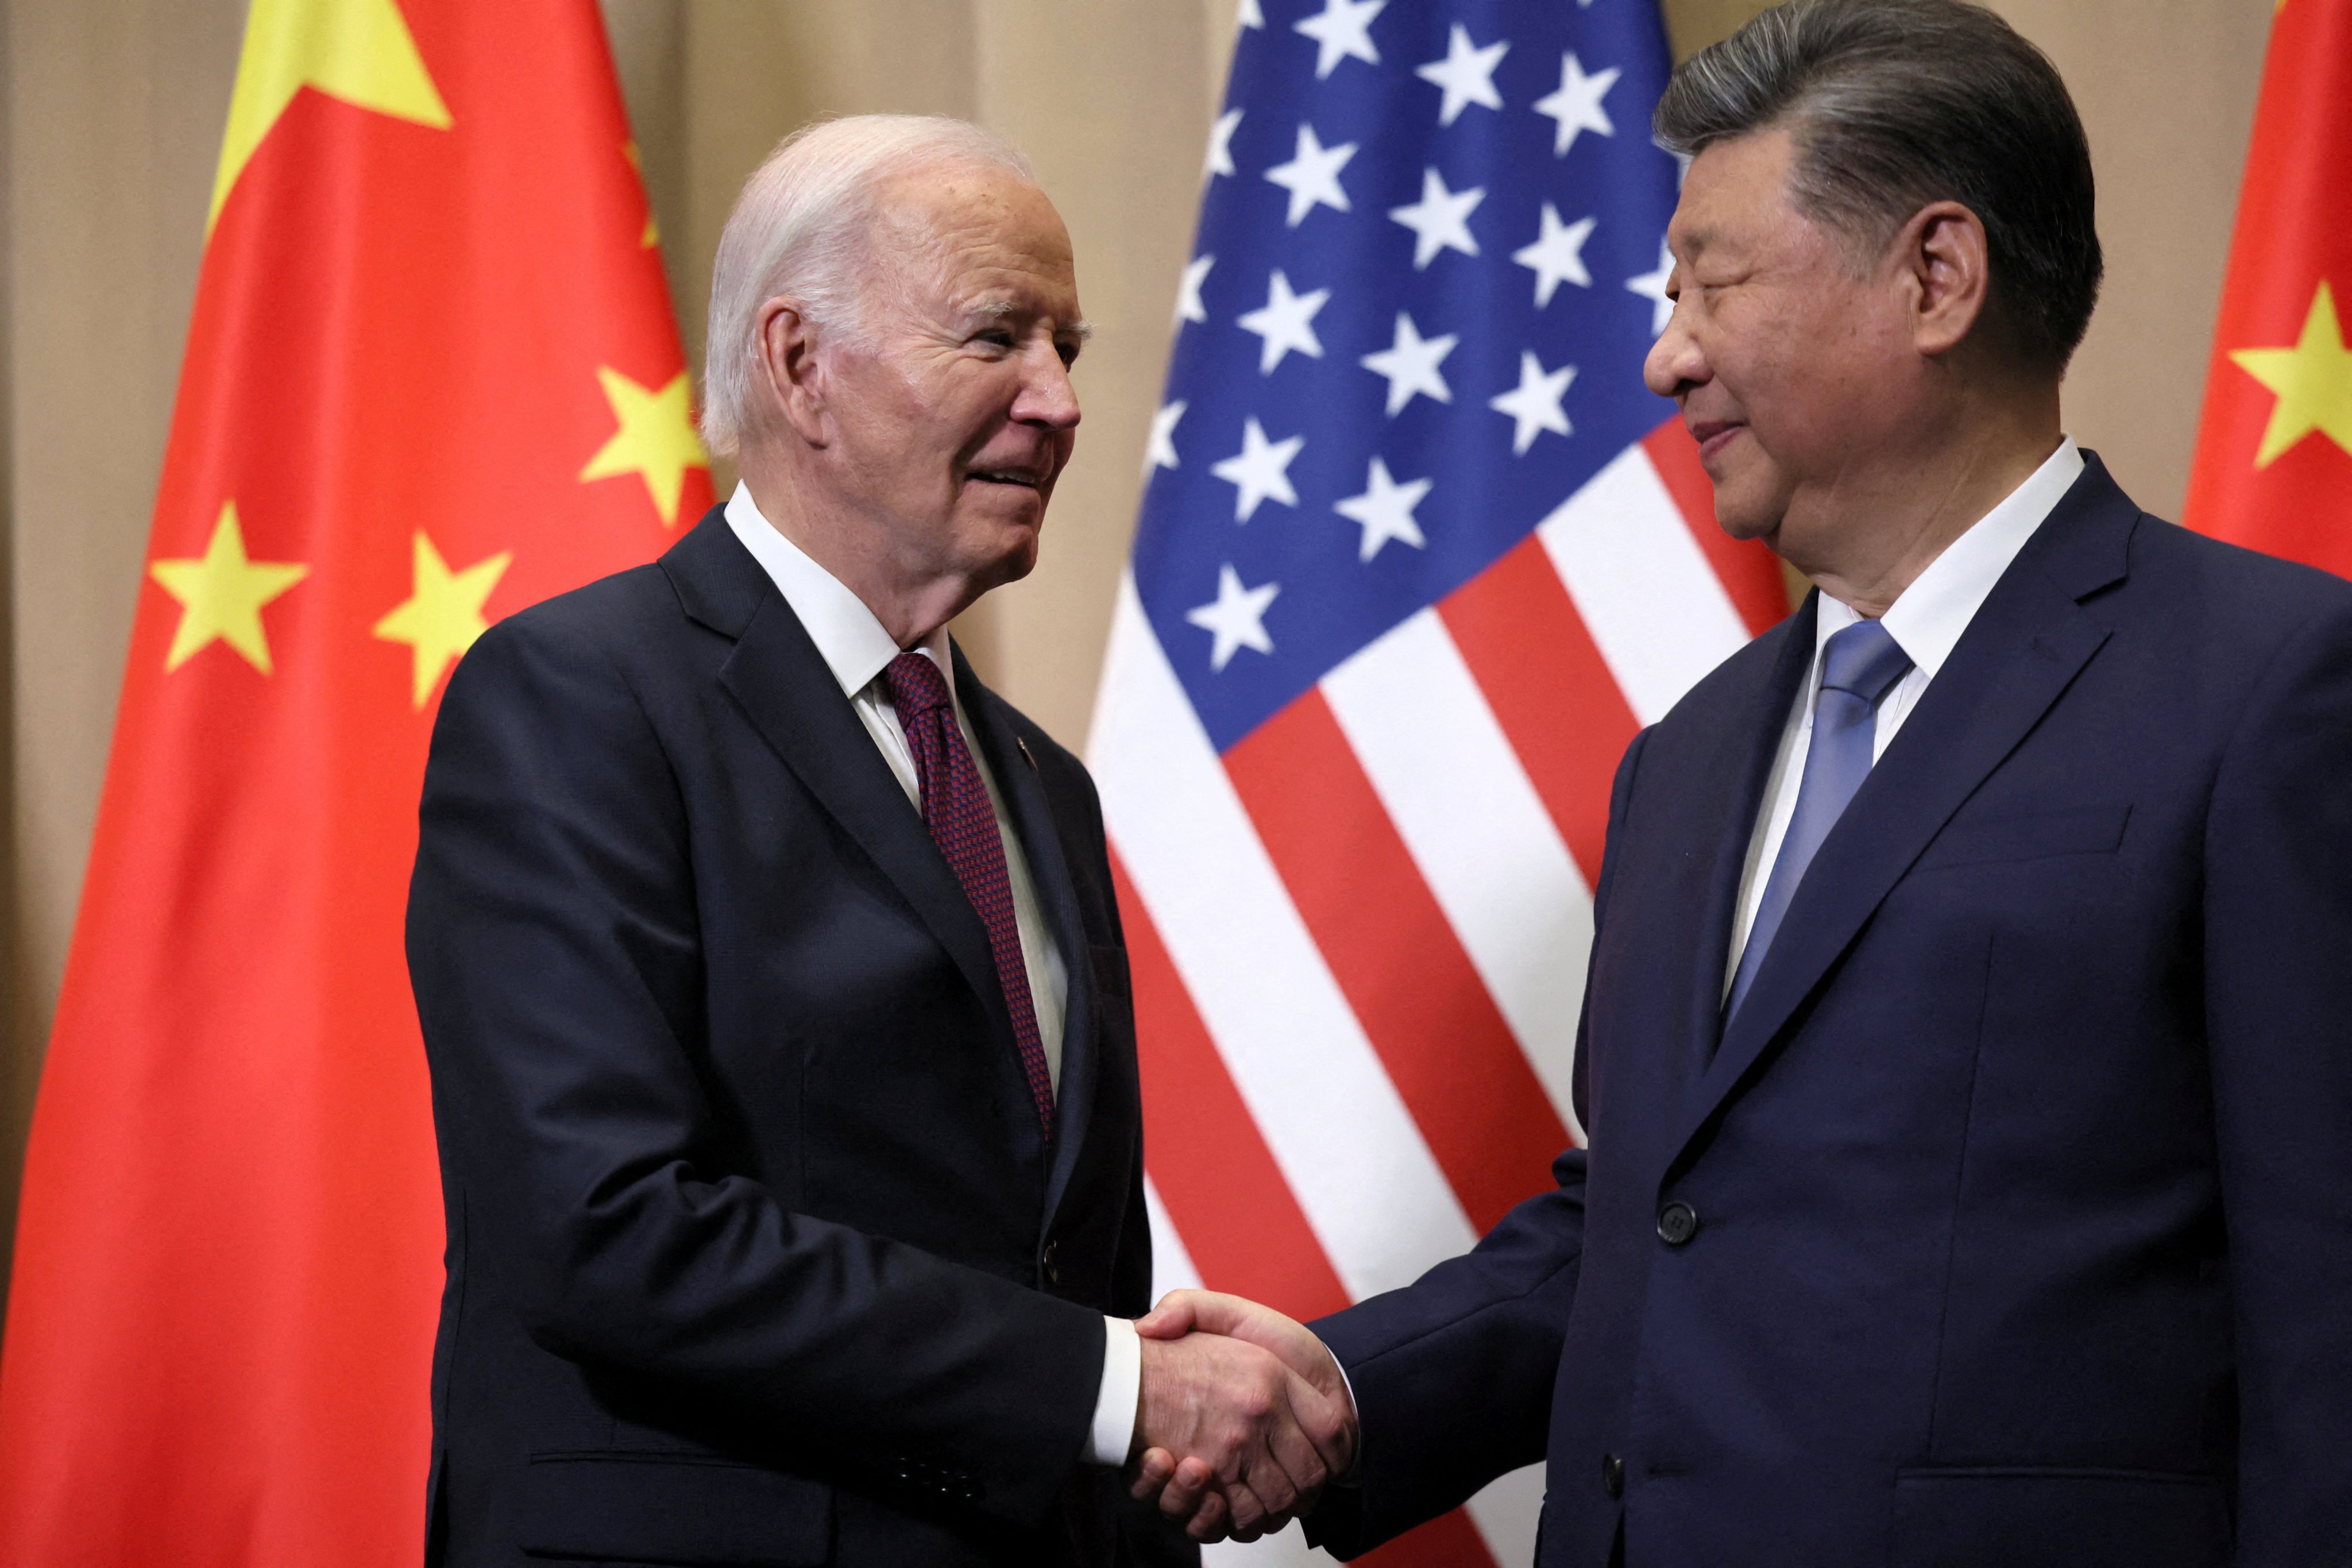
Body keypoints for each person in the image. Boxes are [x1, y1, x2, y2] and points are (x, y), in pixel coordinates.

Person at [1131, 2, 2352, 1563]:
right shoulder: (1690, 758)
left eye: (1712, 284)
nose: (1664, 356)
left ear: (1937, 276)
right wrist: (1349, 1388)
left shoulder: (2272, 687)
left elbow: (2332, 1307)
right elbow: (1654, 1223)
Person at [406, 115, 1346, 1568]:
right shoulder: (580, 697)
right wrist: (1115, 1386)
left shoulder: (1037, 781)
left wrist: (1141, 1434)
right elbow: (600, 1226)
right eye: (996, 336)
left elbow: (1052, 1256)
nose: (1058, 401)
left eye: (1069, 349)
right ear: (798, 366)